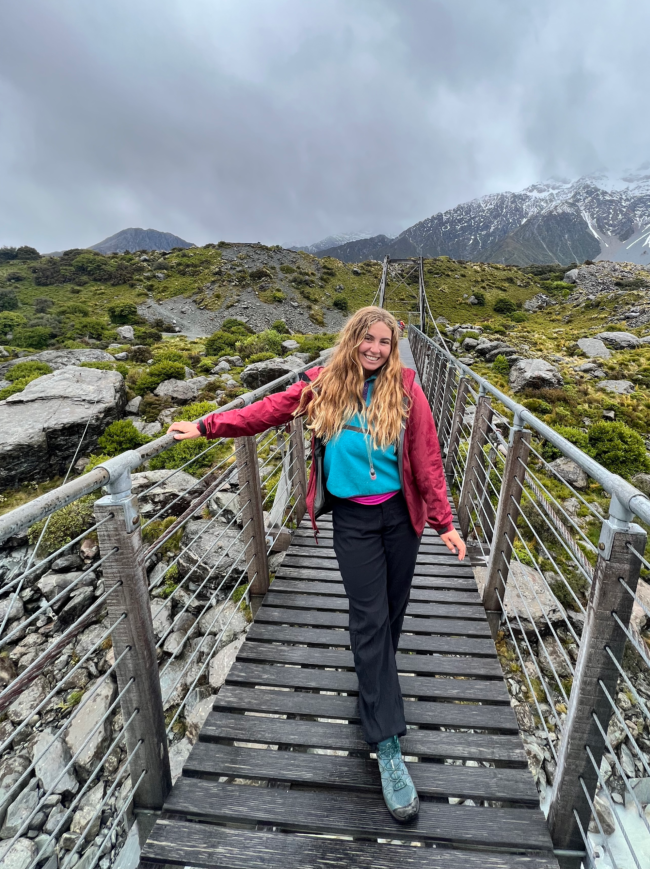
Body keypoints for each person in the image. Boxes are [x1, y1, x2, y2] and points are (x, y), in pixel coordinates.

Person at [167, 306, 465, 823]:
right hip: (351, 519)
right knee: (369, 618)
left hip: (400, 517)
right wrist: (207, 426)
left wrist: (444, 522)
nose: (375, 349)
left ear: (394, 348)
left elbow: (428, 458)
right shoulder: (320, 385)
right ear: (352, 340)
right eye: (367, 339)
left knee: (391, 615)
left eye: (385, 342)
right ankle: (388, 747)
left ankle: (373, 687)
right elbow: (266, 411)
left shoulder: (409, 389)